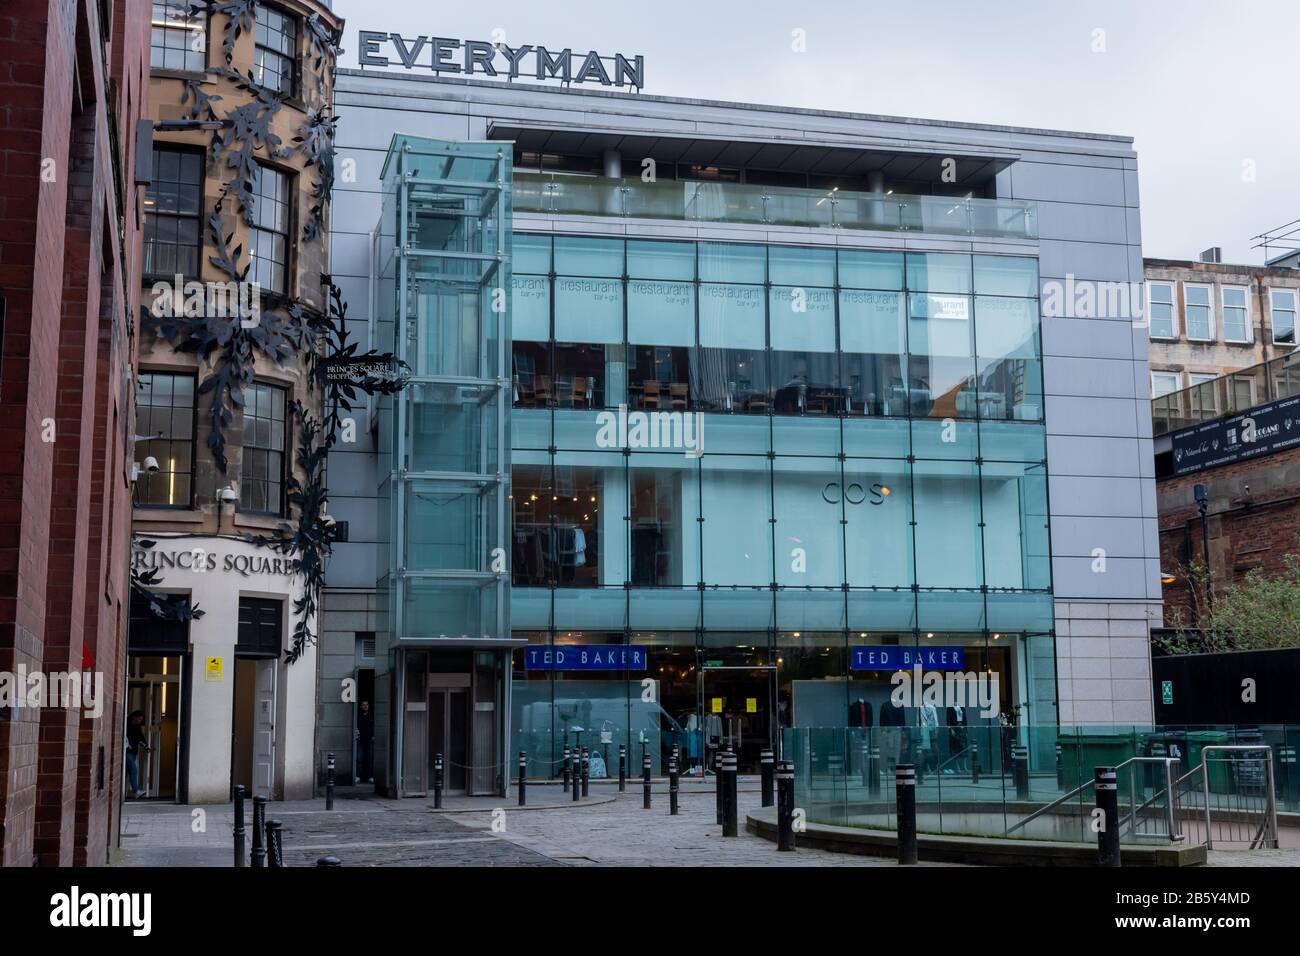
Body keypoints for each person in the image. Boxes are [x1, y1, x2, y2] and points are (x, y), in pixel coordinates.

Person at [125, 711, 149, 799]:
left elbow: (140, 737)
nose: (140, 721)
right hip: (126, 751)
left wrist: (145, 745)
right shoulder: (126, 723)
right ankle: (136, 791)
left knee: (127, 772)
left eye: (141, 719)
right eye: (139, 719)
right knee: (133, 769)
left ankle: (123, 793)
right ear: (134, 717)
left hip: (133, 752)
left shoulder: (137, 726)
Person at [356, 700, 374, 784]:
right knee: (359, 758)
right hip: (360, 740)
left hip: (370, 740)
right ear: (361, 706)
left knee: (370, 759)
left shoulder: (372, 716)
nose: (365, 706)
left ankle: (370, 776)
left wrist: (374, 736)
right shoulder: (358, 716)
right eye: (363, 705)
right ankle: (358, 776)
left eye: (367, 704)